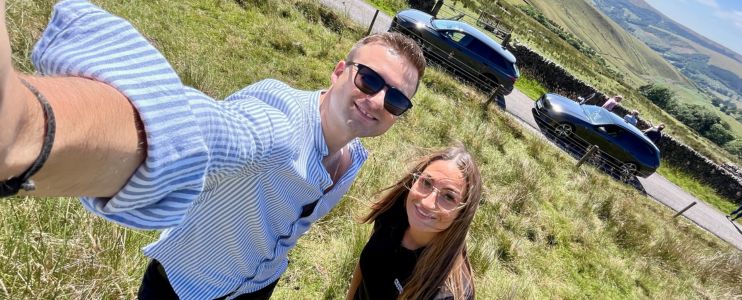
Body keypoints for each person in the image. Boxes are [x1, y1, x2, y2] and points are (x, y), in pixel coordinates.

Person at [0, 1, 425, 299]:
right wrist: (28, 131)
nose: (377, 101)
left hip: (257, 285)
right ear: (338, 71)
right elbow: (202, 132)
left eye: (396, 100)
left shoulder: (354, 158)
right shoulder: (276, 130)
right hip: (186, 287)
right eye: (369, 79)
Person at [347, 144, 481, 300]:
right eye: (426, 183)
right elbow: (364, 267)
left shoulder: (451, 293)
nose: (427, 202)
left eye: (449, 197)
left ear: (462, 213)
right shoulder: (393, 214)